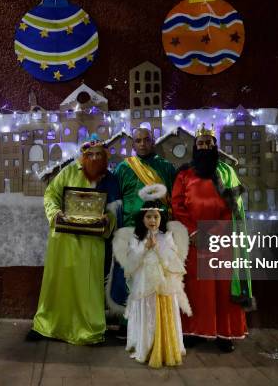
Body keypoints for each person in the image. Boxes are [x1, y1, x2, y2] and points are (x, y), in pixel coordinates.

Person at [27, 136, 119, 345]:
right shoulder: (68, 172)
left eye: (98, 154)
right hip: (65, 240)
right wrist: (55, 214)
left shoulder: (110, 179)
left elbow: (114, 209)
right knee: (58, 283)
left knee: (88, 287)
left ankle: (87, 329)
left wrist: (108, 220)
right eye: (90, 154)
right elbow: (51, 195)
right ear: (83, 156)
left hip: (91, 243)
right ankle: (49, 325)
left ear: (104, 157)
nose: (94, 158)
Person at [171, 124, 255, 353]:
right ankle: (195, 330)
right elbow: (177, 205)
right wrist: (194, 232)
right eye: (201, 143)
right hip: (194, 241)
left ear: (215, 146)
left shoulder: (228, 172)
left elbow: (233, 208)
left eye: (209, 143)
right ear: (195, 147)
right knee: (196, 289)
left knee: (222, 289)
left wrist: (213, 231)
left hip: (222, 240)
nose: (205, 146)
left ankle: (224, 333)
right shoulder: (184, 174)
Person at [112, 184, 190, 368]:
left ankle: (164, 347)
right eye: (149, 216)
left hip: (163, 287)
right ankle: (145, 347)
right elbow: (130, 264)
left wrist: (157, 248)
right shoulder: (136, 239)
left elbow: (172, 261)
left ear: (161, 218)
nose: (152, 220)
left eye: (156, 216)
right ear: (142, 218)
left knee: (163, 315)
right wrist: (145, 248)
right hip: (143, 286)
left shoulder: (167, 237)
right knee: (146, 315)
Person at [107, 128, 177, 319]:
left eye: (146, 140)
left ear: (153, 142)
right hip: (130, 231)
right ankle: (127, 322)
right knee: (128, 277)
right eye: (138, 140)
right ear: (133, 144)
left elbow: (174, 199)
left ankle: (157, 324)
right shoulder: (123, 168)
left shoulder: (166, 167)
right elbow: (115, 200)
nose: (142, 144)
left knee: (155, 277)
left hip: (157, 231)